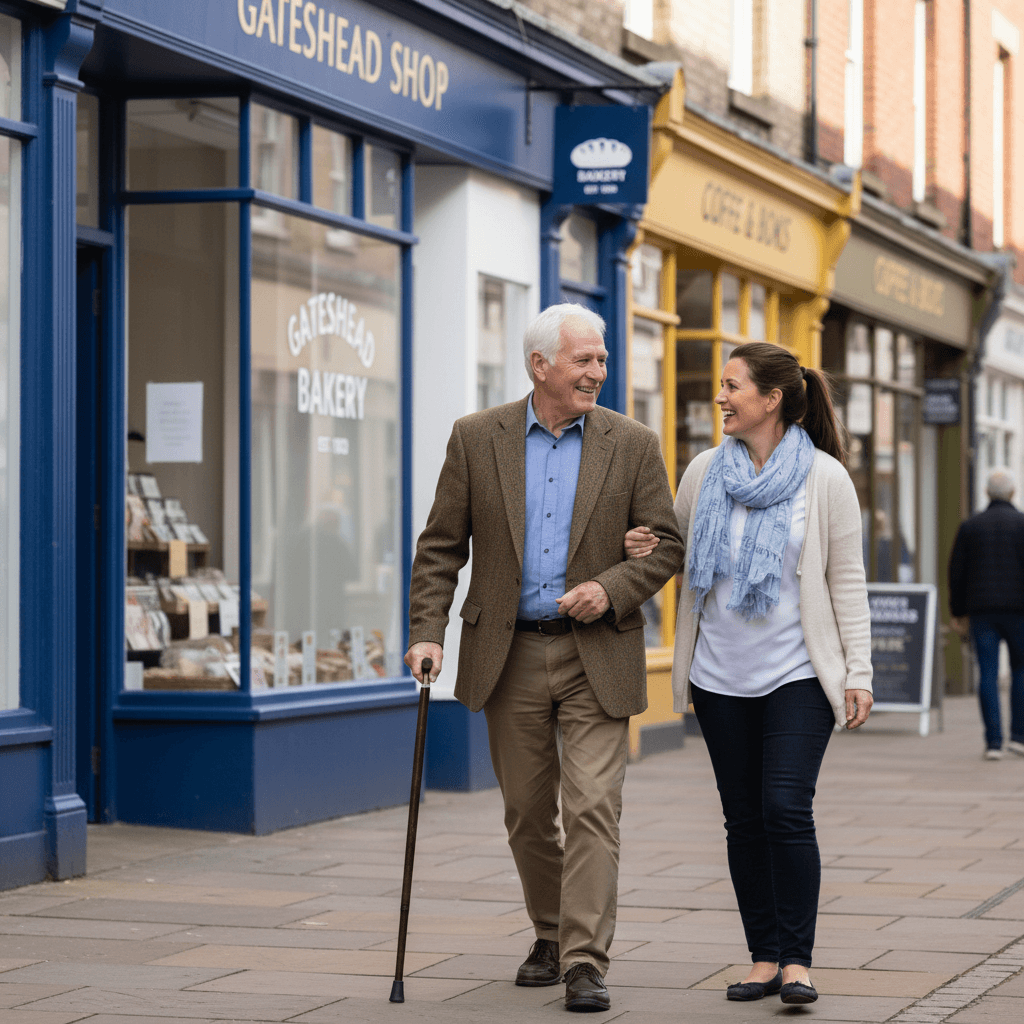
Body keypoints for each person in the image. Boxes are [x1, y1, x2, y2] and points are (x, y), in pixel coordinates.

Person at [406, 303, 684, 1012]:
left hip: (598, 652)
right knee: (528, 811)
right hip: (510, 651)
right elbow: (441, 545)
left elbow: (668, 545)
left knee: (592, 804)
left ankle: (585, 961)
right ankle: (551, 930)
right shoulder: (477, 438)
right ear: (540, 366)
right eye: (584, 360)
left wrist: (611, 586)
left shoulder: (632, 443)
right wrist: (428, 629)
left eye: (601, 360)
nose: (598, 371)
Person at [626, 342, 873, 1006]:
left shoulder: (825, 479)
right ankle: (763, 955)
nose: (721, 397)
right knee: (743, 819)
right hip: (718, 676)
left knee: (785, 809)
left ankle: (798, 961)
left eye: (732, 386)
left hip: (797, 672)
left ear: (772, 399)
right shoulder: (705, 471)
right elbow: (673, 548)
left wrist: (860, 672)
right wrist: (643, 545)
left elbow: (847, 581)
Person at [948, 467, 1024, 760]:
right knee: (1021, 670)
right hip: (1019, 611)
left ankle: (993, 742)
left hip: (982, 612)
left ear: (987, 493)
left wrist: (957, 612)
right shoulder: (1021, 524)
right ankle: (1018, 737)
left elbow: (956, 572)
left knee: (988, 674)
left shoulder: (971, 526)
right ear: (1013, 493)